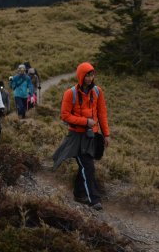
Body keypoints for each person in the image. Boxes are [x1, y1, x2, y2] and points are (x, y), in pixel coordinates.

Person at [52, 62, 110, 210]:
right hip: (76, 137)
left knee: (86, 166)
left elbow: (102, 114)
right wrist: (86, 121)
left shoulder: (97, 92)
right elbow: (64, 116)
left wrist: (106, 134)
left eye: (92, 75)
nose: (90, 78)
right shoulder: (70, 93)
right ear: (80, 76)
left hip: (91, 136)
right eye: (87, 75)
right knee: (88, 167)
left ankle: (79, 194)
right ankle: (94, 199)